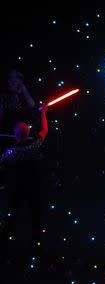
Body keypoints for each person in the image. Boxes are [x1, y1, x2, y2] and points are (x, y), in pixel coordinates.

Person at [0, 104, 48, 257]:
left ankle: (3, 246)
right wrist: (43, 113)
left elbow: (2, 167)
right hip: (33, 186)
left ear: (15, 134)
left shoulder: (10, 152)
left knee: (12, 216)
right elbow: (45, 130)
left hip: (17, 188)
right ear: (27, 133)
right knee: (35, 216)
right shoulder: (34, 145)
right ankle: (36, 246)